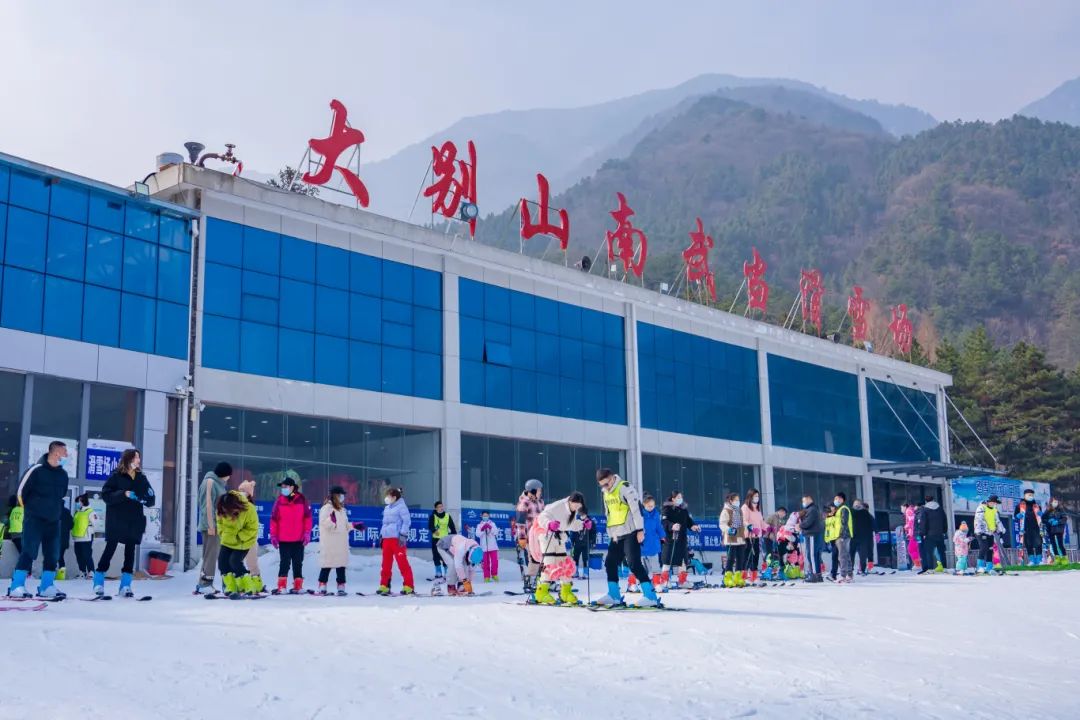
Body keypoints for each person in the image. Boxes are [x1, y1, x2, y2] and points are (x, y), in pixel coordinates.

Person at [7, 441, 70, 599]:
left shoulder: (63, 474)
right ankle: (16, 586)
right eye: (64, 453)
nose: (67, 456)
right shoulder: (35, 470)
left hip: (54, 521)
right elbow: (20, 493)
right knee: (29, 551)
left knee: (52, 554)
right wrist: (32, 509)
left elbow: (61, 494)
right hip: (34, 519)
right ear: (55, 453)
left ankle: (46, 586)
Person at [93, 448, 155, 598]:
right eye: (135, 458)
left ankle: (125, 585)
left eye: (139, 458)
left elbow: (150, 500)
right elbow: (106, 495)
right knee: (110, 548)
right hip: (117, 520)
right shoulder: (116, 476)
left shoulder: (141, 478)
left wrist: (147, 497)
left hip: (134, 520)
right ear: (128, 460)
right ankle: (98, 582)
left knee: (130, 551)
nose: (138, 461)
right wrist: (124, 493)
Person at [596, 469, 659, 607]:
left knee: (634, 563)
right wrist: (611, 533)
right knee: (610, 563)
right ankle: (614, 595)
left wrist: (640, 530)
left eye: (606, 484)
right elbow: (609, 514)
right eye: (602, 485)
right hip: (616, 534)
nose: (605, 487)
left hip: (631, 532)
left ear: (612, 478)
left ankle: (650, 596)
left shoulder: (625, 488)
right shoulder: (606, 493)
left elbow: (636, 510)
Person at [530, 492, 588, 605]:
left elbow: (569, 524)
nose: (576, 508)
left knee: (564, 564)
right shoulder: (558, 505)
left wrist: (582, 524)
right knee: (550, 564)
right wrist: (549, 524)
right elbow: (542, 516)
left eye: (578, 506)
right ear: (570, 502)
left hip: (559, 536)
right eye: (575, 505)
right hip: (547, 535)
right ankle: (541, 592)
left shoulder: (572, 510)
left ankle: (565, 592)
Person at [270, 477, 312, 594]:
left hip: (299, 539)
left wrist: (307, 532)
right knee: (284, 562)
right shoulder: (279, 501)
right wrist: (273, 535)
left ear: (292, 487)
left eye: (285, 487)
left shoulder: (302, 500)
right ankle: (281, 586)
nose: (283, 489)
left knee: (298, 562)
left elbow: (307, 518)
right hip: (284, 539)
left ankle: (298, 586)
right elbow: (274, 519)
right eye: (282, 487)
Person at [194, 462, 231, 594]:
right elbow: (207, 506)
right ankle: (205, 584)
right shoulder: (210, 482)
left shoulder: (218, 484)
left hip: (217, 525)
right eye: (228, 475)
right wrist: (211, 525)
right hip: (211, 525)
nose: (229, 478)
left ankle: (204, 583)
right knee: (210, 554)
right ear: (224, 474)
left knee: (211, 554)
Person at [215, 489, 260, 598]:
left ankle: (249, 587)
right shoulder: (222, 507)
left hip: (243, 541)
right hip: (227, 539)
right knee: (222, 563)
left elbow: (253, 528)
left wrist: (239, 537)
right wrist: (223, 533)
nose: (227, 513)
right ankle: (231, 587)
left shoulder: (249, 509)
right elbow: (219, 522)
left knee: (235, 561)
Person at [318, 486, 361, 596]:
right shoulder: (326, 508)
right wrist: (330, 520)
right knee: (327, 564)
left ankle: (341, 586)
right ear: (335, 495)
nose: (343, 497)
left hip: (341, 542)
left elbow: (344, 526)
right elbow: (324, 523)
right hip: (330, 542)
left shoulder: (342, 510)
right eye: (341, 495)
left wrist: (354, 526)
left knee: (341, 565)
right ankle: (322, 585)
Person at [377, 487, 414, 595]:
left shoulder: (402, 507)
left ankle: (408, 586)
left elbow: (406, 521)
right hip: (387, 539)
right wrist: (381, 535)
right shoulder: (387, 508)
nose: (386, 498)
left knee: (402, 562)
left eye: (388, 496)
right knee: (386, 564)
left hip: (397, 539)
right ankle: (384, 585)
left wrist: (403, 535)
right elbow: (384, 523)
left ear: (394, 497)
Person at [660, 491, 700, 589]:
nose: (680, 499)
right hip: (671, 538)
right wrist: (672, 526)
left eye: (681, 497)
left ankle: (682, 581)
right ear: (673, 499)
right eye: (678, 497)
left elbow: (688, 521)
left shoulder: (683, 509)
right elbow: (664, 522)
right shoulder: (666, 509)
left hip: (682, 538)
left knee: (683, 560)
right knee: (667, 559)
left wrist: (693, 526)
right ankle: (665, 580)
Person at [512, 479, 545, 592]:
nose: (541, 492)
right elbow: (520, 522)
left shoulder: (540, 502)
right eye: (539, 490)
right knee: (534, 558)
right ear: (533, 490)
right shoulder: (524, 503)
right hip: (529, 536)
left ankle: (543, 581)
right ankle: (530, 582)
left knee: (543, 558)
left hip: (540, 535)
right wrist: (522, 537)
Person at [235, 480, 264, 594]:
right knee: (237, 562)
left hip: (250, 539)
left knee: (252, 562)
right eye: (239, 490)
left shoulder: (250, 507)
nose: (240, 492)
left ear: (248, 493)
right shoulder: (235, 506)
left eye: (243, 490)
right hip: (238, 540)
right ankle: (241, 585)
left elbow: (252, 525)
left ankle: (257, 585)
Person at [634, 494, 665, 591]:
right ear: (644, 505)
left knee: (656, 565)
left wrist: (662, 536)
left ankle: (656, 583)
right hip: (642, 544)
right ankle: (642, 583)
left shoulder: (656, 514)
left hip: (654, 544)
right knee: (643, 567)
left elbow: (659, 527)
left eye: (653, 506)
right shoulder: (640, 515)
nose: (651, 508)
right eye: (649, 506)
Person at [719, 492, 748, 588]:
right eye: (736, 500)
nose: (738, 502)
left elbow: (742, 522)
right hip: (731, 538)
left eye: (738, 500)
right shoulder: (726, 510)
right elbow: (722, 523)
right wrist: (728, 529)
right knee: (731, 559)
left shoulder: (739, 510)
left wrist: (748, 526)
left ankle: (738, 577)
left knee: (741, 559)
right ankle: (728, 578)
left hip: (740, 538)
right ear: (731, 501)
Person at [917, 495, 948, 574]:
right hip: (940, 533)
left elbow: (923, 522)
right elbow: (945, 520)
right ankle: (944, 567)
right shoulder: (940, 509)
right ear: (933, 500)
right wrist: (944, 531)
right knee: (941, 551)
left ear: (926, 501)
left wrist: (923, 533)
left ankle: (930, 568)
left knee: (929, 552)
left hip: (929, 534)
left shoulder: (925, 510)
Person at [974, 495, 1004, 575]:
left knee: (990, 549)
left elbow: (997, 521)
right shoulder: (981, 508)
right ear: (988, 502)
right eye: (992, 502)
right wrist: (988, 528)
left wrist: (1001, 529)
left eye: (995, 503)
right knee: (984, 547)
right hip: (981, 532)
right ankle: (979, 567)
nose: (993, 504)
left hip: (991, 533)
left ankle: (989, 567)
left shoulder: (994, 510)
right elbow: (980, 520)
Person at [428, 501, 457, 579]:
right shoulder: (433, 516)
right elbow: (430, 526)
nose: (441, 508)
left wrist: (455, 536)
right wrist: (434, 530)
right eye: (439, 507)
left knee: (445, 555)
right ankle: (438, 572)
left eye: (442, 506)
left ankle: (447, 571)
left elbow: (452, 526)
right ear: (436, 508)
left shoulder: (447, 516)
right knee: (436, 555)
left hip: (445, 539)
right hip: (436, 539)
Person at [799, 494, 825, 583]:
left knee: (812, 555)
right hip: (813, 534)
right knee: (816, 555)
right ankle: (818, 574)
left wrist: (799, 525)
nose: (803, 503)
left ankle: (814, 575)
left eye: (804, 501)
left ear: (809, 500)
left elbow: (808, 522)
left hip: (811, 534)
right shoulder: (812, 509)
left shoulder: (812, 510)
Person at [71, 493, 97, 578]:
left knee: (87, 555)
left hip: (86, 537)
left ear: (83, 501)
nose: (78, 503)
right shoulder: (77, 512)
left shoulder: (90, 512)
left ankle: (91, 572)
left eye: (78, 501)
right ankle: (82, 572)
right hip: (77, 538)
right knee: (79, 556)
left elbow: (96, 524)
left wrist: (90, 530)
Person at [1015, 490, 1043, 565]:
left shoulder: (1036, 505)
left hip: (1036, 527)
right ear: (1024, 495)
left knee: (1038, 543)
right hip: (1026, 527)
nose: (1030, 496)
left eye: (1032, 495)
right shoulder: (1020, 506)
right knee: (1028, 543)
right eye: (1029, 495)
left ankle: (1039, 559)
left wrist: (1041, 515)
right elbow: (1015, 516)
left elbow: (1041, 517)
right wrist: (1017, 516)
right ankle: (1031, 560)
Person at [831, 493, 854, 583]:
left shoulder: (843, 509)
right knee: (846, 555)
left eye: (838, 499)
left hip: (843, 536)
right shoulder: (839, 510)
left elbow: (844, 523)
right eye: (835, 498)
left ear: (842, 500)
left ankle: (843, 575)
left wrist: (841, 536)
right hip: (841, 536)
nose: (836, 500)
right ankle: (849, 574)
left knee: (842, 556)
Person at [850, 499, 875, 575]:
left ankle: (863, 569)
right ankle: (850, 569)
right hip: (852, 537)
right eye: (855, 504)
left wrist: (875, 533)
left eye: (858, 504)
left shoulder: (865, 513)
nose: (856, 506)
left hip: (863, 538)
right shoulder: (850, 512)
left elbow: (872, 524)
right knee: (851, 554)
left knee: (863, 555)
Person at [474, 510, 500, 582]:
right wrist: (482, 530)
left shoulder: (492, 524)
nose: (485, 517)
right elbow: (477, 534)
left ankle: (494, 575)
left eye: (486, 516)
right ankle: (486, 577)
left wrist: (490, 527)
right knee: (486, 563)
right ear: (481, 516)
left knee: (495, 562)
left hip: (493, 546)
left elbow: (496, 532)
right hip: (484, 547)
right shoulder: (479, 525)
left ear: (489, 516)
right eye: (484, 516)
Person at [1043, 497, 1068, 564]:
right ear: (1051, 502)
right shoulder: (1048, 510)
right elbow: (1043, 519)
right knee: (1053, 544)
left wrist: (1058, 521)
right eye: (1054, 502)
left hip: (1059, 529)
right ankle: (1057, 558)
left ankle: (1064, 558)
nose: (1055, 503)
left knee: (1060, 544)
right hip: (1051, 530)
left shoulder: (1061, 509)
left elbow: (1065, 518)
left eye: (1056, 502)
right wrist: (1049, 521)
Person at [56, 498, 74, 581]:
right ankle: (61, 574)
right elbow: (71, 525)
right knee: (60, 557)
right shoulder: (67, 512)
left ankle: (51, 573)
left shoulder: (55, 512)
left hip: (55, 538)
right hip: (64, 539)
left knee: (53, 556)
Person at [904, 503, 921, 571]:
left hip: (914, 534)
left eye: (901, 507)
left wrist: (906, 527)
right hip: (918, 534)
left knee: (911, 549)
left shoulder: (908, 510)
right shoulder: (915, 511)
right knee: (918, 549)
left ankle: (917, 565)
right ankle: (918, 564)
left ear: (905, 506)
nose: (901, 509)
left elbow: (911, 521)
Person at [824, 505, 839, 581]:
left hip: (838, 538)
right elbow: (827, 529)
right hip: (832, 539)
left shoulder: (837, 516)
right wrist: (827, 539)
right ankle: (833, 574)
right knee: (835, 557)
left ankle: (835, 574)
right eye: (830, 508)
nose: (831, 510)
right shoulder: (828, 517)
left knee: (837, 557)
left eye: (833, 508)